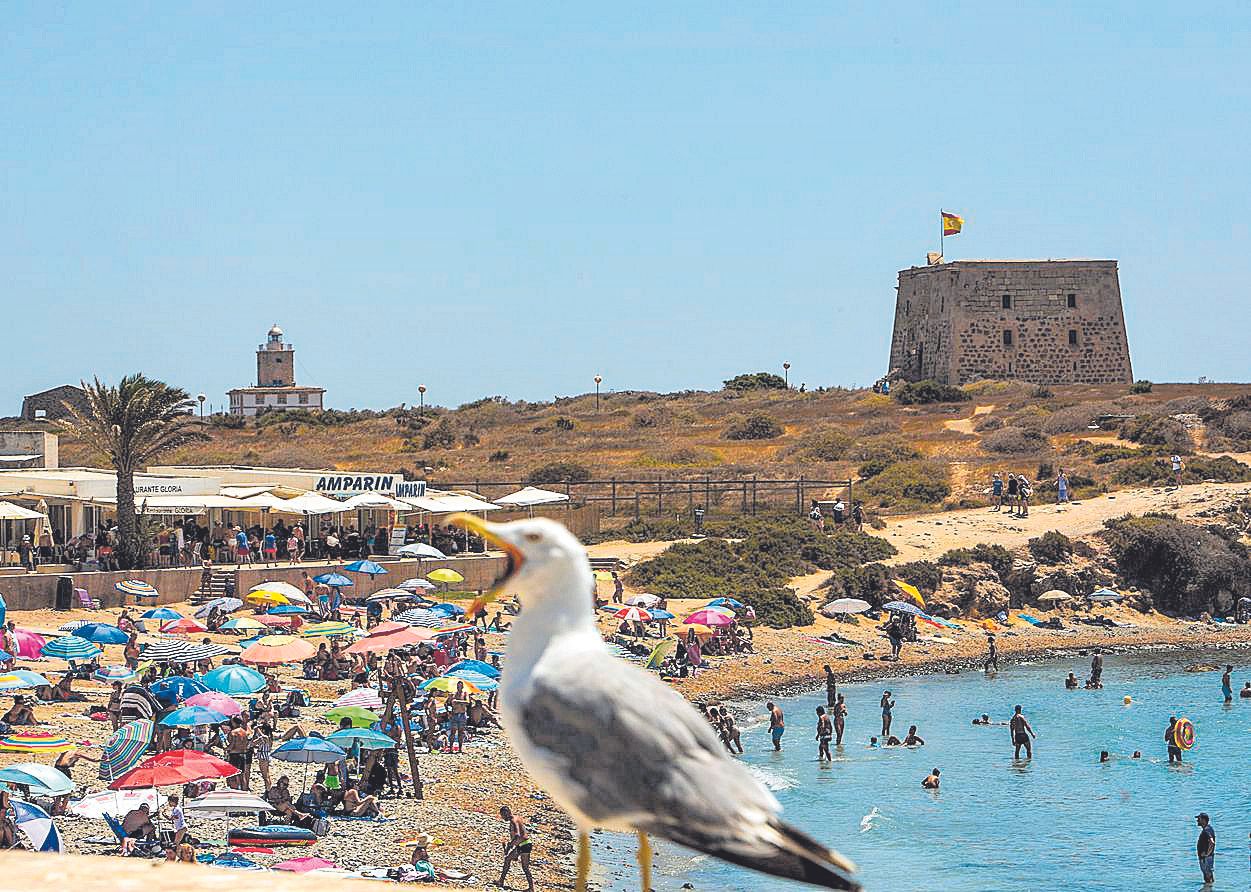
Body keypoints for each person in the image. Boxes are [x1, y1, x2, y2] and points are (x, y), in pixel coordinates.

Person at [498, 805, 535, 892]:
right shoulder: (516, 817)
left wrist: (510, 845)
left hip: (524, 845)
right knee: (510, 860)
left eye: (503, 815)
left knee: (522, 866)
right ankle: (531, 888)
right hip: (524, 844)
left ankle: (531, 888)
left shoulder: (513, 821)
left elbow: (518, 836)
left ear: (506, 813)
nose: (503, 818)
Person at [1195, 813, 1215, 885]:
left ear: (1203, 820)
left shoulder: (1206, 830)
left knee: (1207, 877)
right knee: (1209, 876)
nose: (1197, 821)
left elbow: (1212, 842)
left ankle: (1208, 889)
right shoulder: (1209, 829)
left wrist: (1207, 854)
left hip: (1205, 859)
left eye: (1199, 819)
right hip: (1207, 858)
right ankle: (1210, 888)